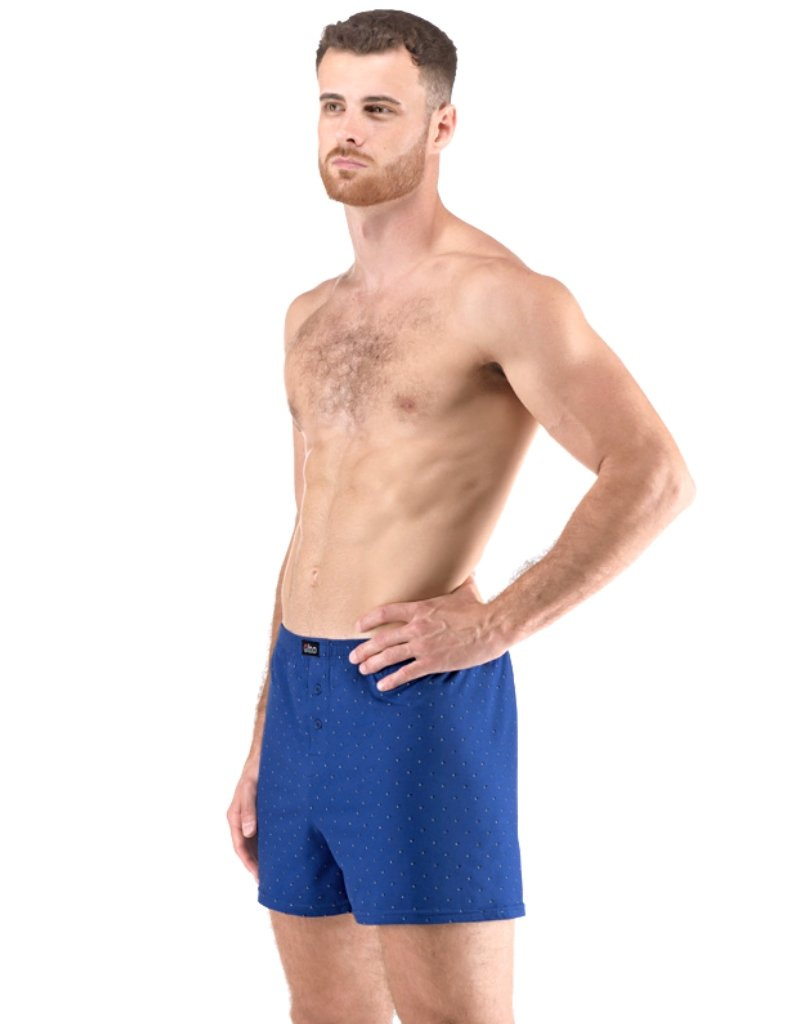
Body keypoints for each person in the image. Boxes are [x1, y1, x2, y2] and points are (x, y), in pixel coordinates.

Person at [227, 9, 695, 1024]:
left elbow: (654, 473)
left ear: (441, 126)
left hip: (414, 695)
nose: (348, 130)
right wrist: (265, 732)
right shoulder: (308, 315)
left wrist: (491, 625)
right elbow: (311, 526)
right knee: (324, 1013)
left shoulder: (504, 297)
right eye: (333, 105)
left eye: (379, 109)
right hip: (303, 695)